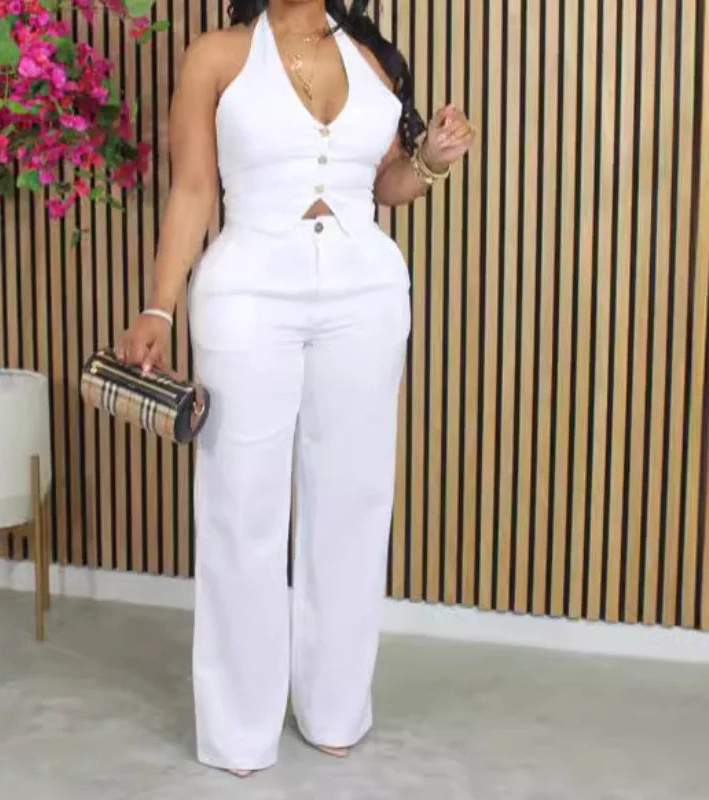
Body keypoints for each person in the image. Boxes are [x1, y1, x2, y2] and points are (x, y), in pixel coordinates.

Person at [116, 0, 474, 777]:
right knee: (241, 505)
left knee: (353, 498)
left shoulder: (373, 58)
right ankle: (239, 727)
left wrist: (434, 158)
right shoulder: (217, 55)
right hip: (248, 293)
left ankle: (335, 705)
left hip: (365, 293)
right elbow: (192, 190)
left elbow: (386, 185)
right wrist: (158, 307)